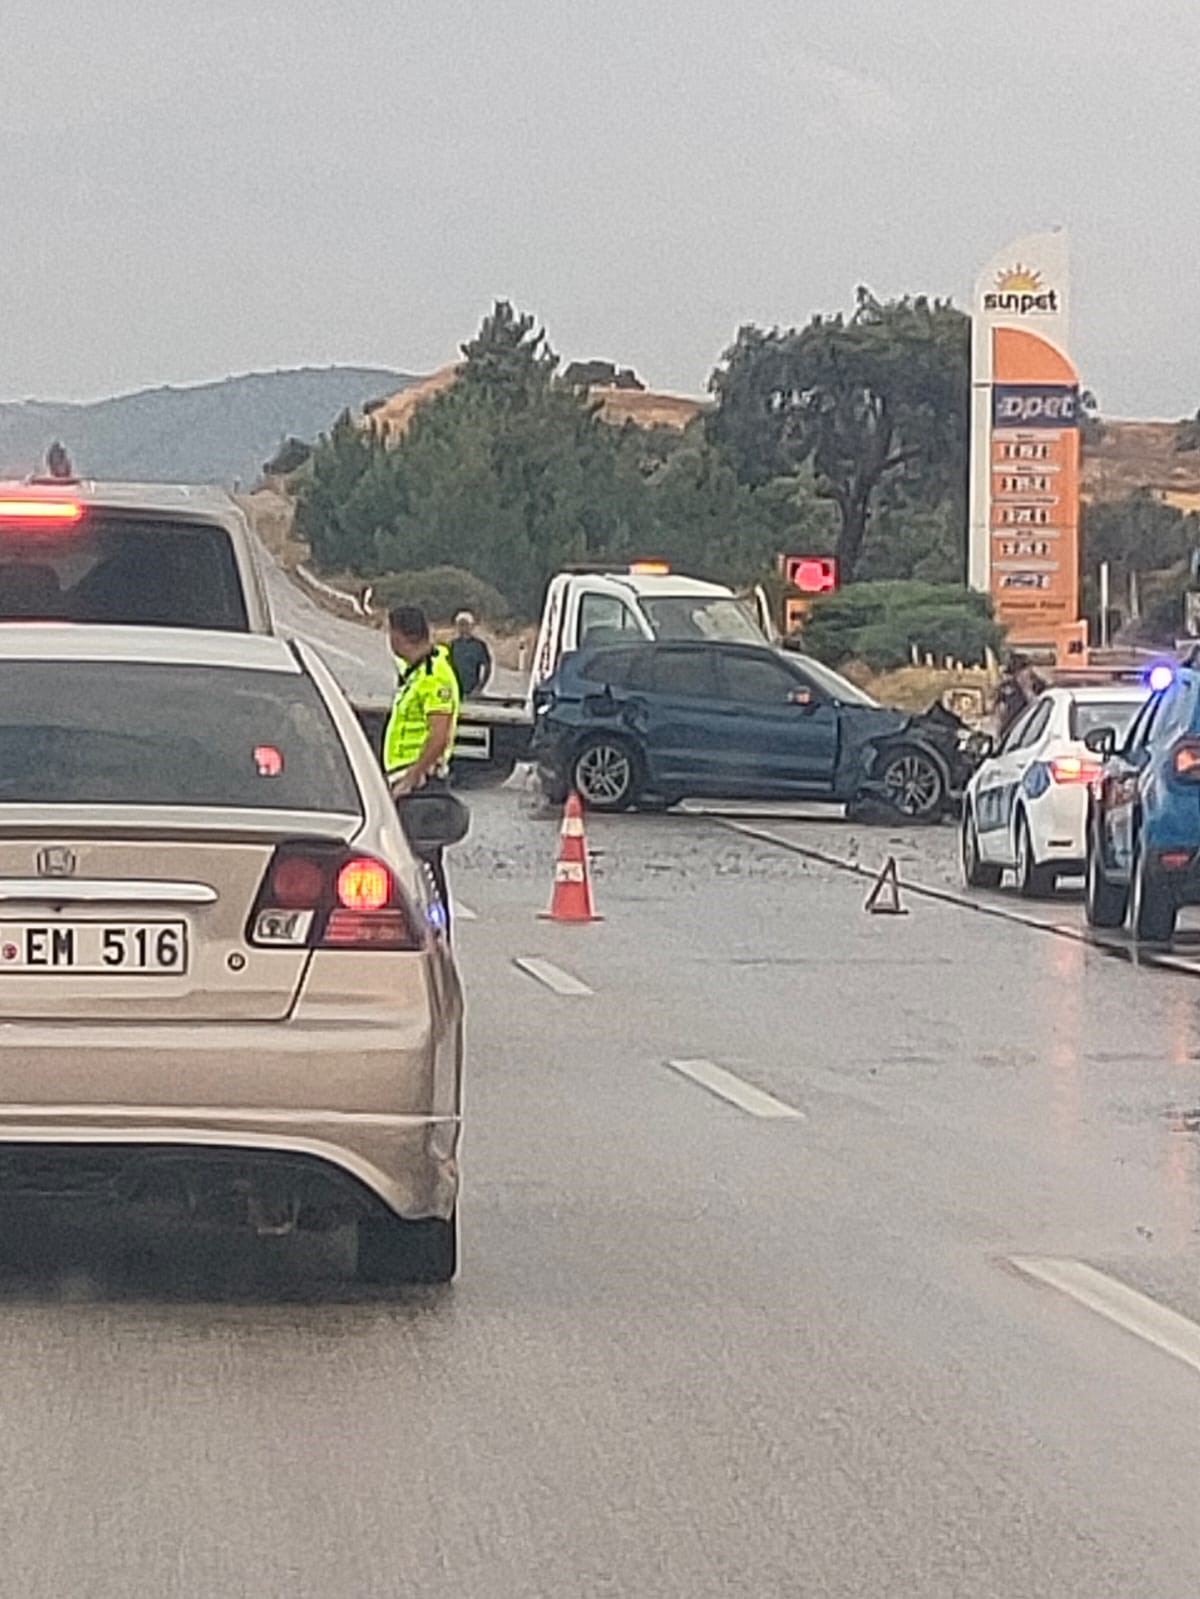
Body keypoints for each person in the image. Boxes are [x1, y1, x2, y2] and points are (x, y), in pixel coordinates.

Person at [384, 606, 462, 930]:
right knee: (406, 863)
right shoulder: (415, 672)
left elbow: (438, 735)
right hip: (405, 777)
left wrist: (412, 777)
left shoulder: (434, 676)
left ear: (400, 635)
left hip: (421, 783)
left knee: (428, 867)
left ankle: (438, 934)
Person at [994, 651, 1047, 739]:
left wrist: (1026, 688)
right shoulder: (1007, 688)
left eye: (1023, 670)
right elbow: (1000, 712)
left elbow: (1038, 708)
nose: (1019, 675)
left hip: (1031, 732)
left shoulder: (1039, 686)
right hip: (1011, 732)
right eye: (1016, 673)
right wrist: (999, 733)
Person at [448, 611, 492, 697]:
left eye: (465, 624)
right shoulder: (452, 645)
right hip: (454, 690)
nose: (462, 627)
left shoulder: (479, 645)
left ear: (471, 626)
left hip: (472, 692)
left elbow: (487, 667)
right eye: (460, 624)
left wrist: (479, 687)